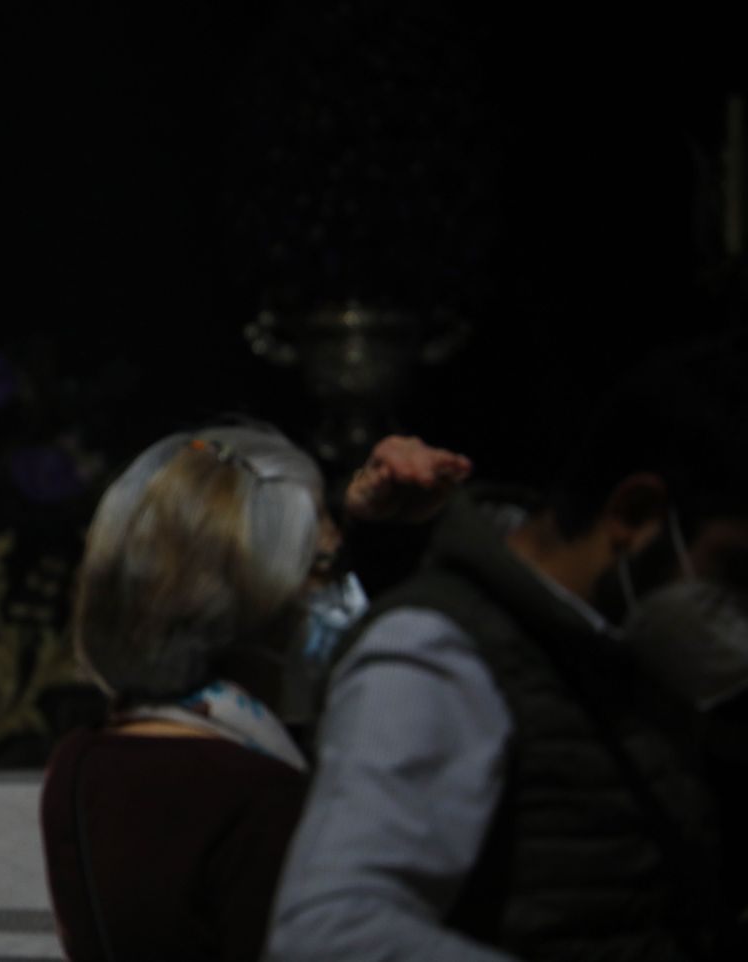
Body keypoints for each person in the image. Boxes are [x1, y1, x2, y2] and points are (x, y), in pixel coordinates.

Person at [267, 338, 748, 961]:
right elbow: (329, 937)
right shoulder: (435, 651)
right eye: (735, 571)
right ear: (633, 514)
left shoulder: (609, 654)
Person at [40, 423, 352, 961]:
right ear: (257, 597)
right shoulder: (259, 793)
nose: (332, 596)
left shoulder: (80, 761)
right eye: (319, 567)